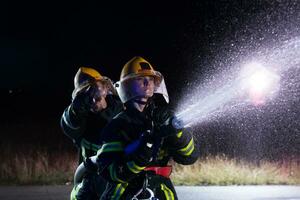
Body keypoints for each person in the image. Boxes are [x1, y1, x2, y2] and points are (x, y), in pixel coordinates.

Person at [92, 56, 198, 199]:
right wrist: (137, 160)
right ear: (127, 85)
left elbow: (190, 157)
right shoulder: (118, 125)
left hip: (161, 190)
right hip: (125, 191)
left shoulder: (164, 119)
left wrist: (178, 133)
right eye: (140, 79)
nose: (148, 83)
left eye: (151, 79)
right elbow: (108, 170)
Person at [60, 67, 123, 200]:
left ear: (106, 88)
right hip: (90, 184)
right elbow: (68, 124)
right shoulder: (80, 120)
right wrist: (75, 109)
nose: (92, 96)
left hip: (119, 181)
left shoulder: (122, 110)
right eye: (85, 92)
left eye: (95, 88)